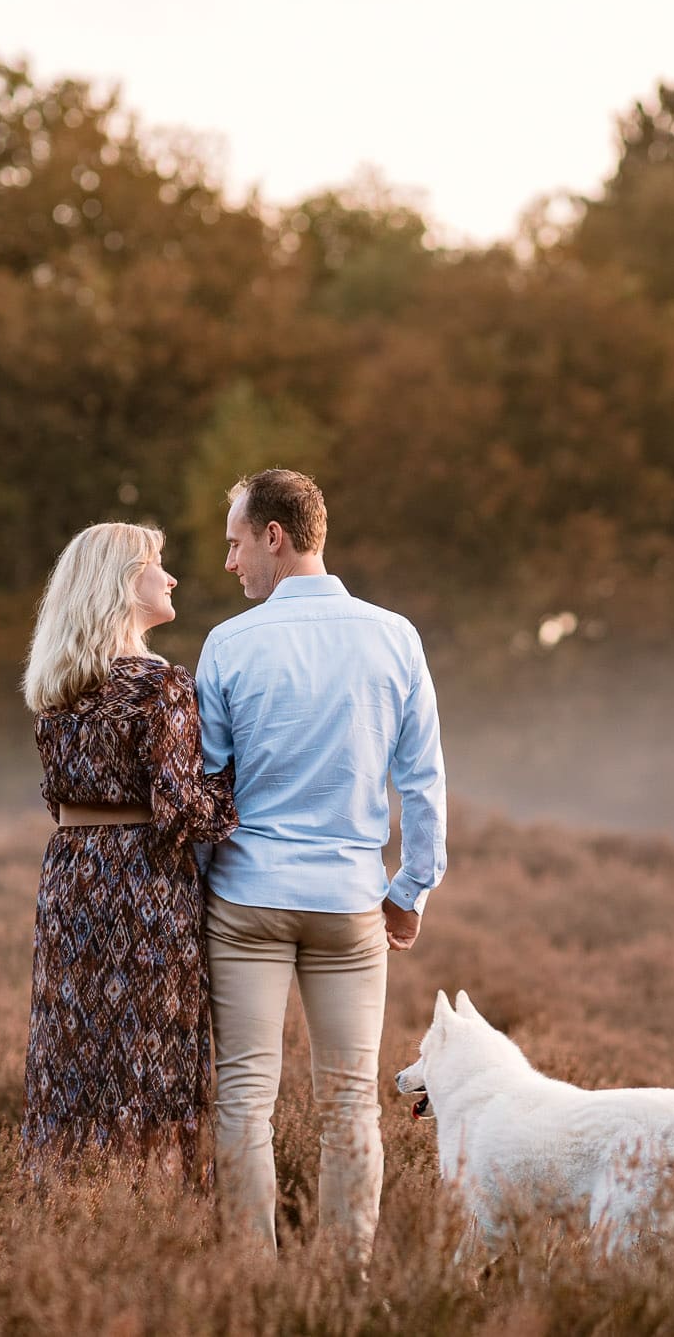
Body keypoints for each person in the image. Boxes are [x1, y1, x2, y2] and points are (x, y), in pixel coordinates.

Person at [195, 468, 448, 1261]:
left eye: (236, 543)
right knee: (348, 1107)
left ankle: (252, 1285)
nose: (231, 562)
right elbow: (424, 782)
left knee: (243, 1099)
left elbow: (206, 789)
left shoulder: (228, 644)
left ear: (275, 536)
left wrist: (195, 886)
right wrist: (410, 889)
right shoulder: (394, 635)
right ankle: (348, 1288)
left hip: (246, 899)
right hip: (349, 902)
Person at [20, 521, 237, 1187]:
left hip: (71, 881)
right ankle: (152, 1212)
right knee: (149, 1058)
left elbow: (56, 799)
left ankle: (67, 1205)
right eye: (157, 567)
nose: (170, 578)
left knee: (76, 1053)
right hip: (145, 887)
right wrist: (234, 791)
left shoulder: (54, 689)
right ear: (122, 585)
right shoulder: (162, 685)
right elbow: (181, 811)